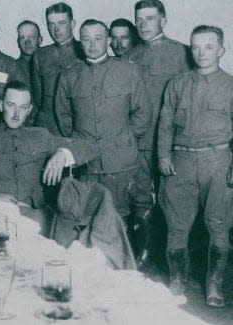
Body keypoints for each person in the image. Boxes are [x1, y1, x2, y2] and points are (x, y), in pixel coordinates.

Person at [157, 25, 233, 307]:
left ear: (221, 50)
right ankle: (178, 280)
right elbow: (164, 124)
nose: (202, 53)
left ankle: (214, 284)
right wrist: (163, 157)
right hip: (181, 162)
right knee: (176, 226)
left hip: (219, 162)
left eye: (209, 46)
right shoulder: (177, 84)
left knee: (218, 225)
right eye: (196, 47)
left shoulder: (231, 85)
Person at [55, 19, 150, 218]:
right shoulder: (69, 75)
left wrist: (122, 140)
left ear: (108, 40)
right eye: (86, 39)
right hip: (86, 164)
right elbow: (64, 117)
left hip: (120, 164)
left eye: (97, 38)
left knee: (119, 218)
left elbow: (142, 113)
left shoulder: (129, 71)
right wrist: (79, 145)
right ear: (80, 42)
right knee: (87, 218)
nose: (92, 44)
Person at [123, 0, 193, 269]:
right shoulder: (130, 57)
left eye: (150, 18)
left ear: (163, 20)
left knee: (174, 204)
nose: (143, 24)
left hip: (171, 146)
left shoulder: (182, 54)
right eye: (139, 19)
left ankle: (175, 264)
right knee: (140, 200)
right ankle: (145, 257)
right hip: (139, 144)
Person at [0, 81, 97, 210]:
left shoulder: (40, 135)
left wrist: (63, 154)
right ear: (1, 105)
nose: (16, 114)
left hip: (36, 214)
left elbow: (90, 147)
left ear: (29, 110)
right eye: (11, 105)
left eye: (22, 108)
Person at [31, 2, 85, 134]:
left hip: (76, 125)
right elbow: (38, 97)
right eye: (51, 24)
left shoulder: (84, 51)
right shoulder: (40, 55)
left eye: (61, 23)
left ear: (72, 24)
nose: (56, 29)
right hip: (46, 125)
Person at [16, 20, 42, 86]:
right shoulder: (12, 68)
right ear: (18, 42)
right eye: (22, 38)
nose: (27, 42)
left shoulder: (49, 66)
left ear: (40, 40)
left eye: (32, 37)